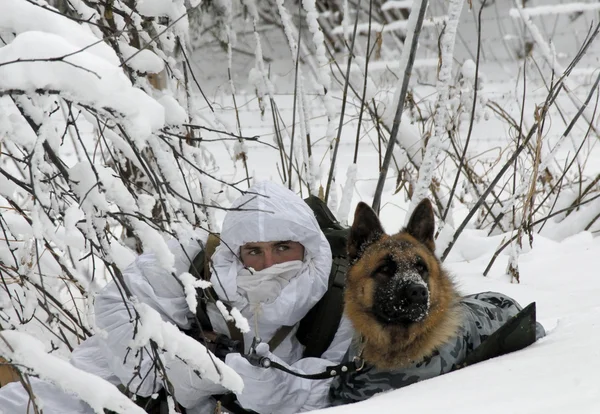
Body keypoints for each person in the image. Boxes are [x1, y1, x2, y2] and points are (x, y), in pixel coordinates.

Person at [0, 181, 353, 414]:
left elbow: (330, 388)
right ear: (235, 250)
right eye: (254, 251)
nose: (267, 264)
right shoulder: (193, 262)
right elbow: (122, 318)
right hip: (111, 392)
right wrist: (199, 367)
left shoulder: (340, 296)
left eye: (282, 248)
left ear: (307, 247)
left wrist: (255, 382)